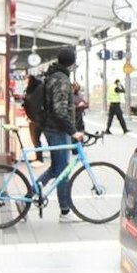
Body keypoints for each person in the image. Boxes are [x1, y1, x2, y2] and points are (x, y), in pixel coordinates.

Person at [37, 48, 87, 220]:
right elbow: (59, 110)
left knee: (57, 167)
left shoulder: (53, 76)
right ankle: (65, 210)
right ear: (72, 63)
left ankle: (30, 194)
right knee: (63, 170)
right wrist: (73, 131)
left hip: (52, 128)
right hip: (57, 130)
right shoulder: (61, 79)